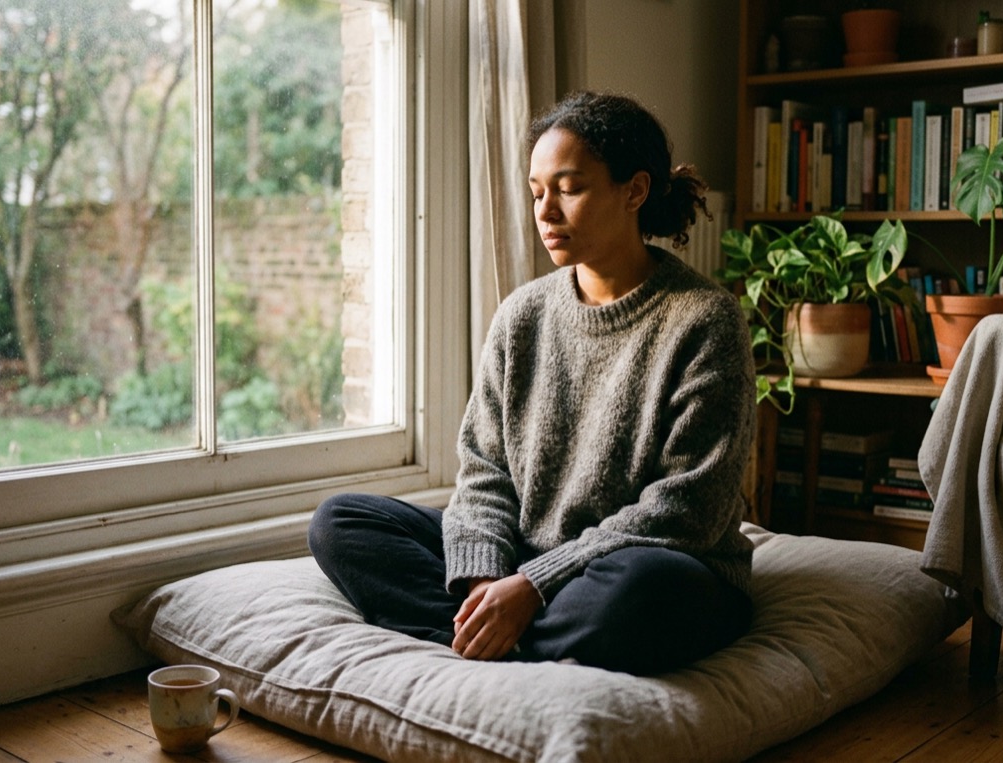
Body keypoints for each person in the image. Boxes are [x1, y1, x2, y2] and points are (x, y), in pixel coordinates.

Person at [309, 91, 755, 675]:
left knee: (641, 590)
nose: (545, 212)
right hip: (525, 558)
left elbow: (688, 509)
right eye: (537, 191)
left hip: (654, 564)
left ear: (635, 191)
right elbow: (484, 469)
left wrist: (534, 586)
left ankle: (492, 634)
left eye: (568, 188)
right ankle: (492, 628)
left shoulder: (705, 320)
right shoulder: (522, 315)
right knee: (342, 521)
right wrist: (488, 575)